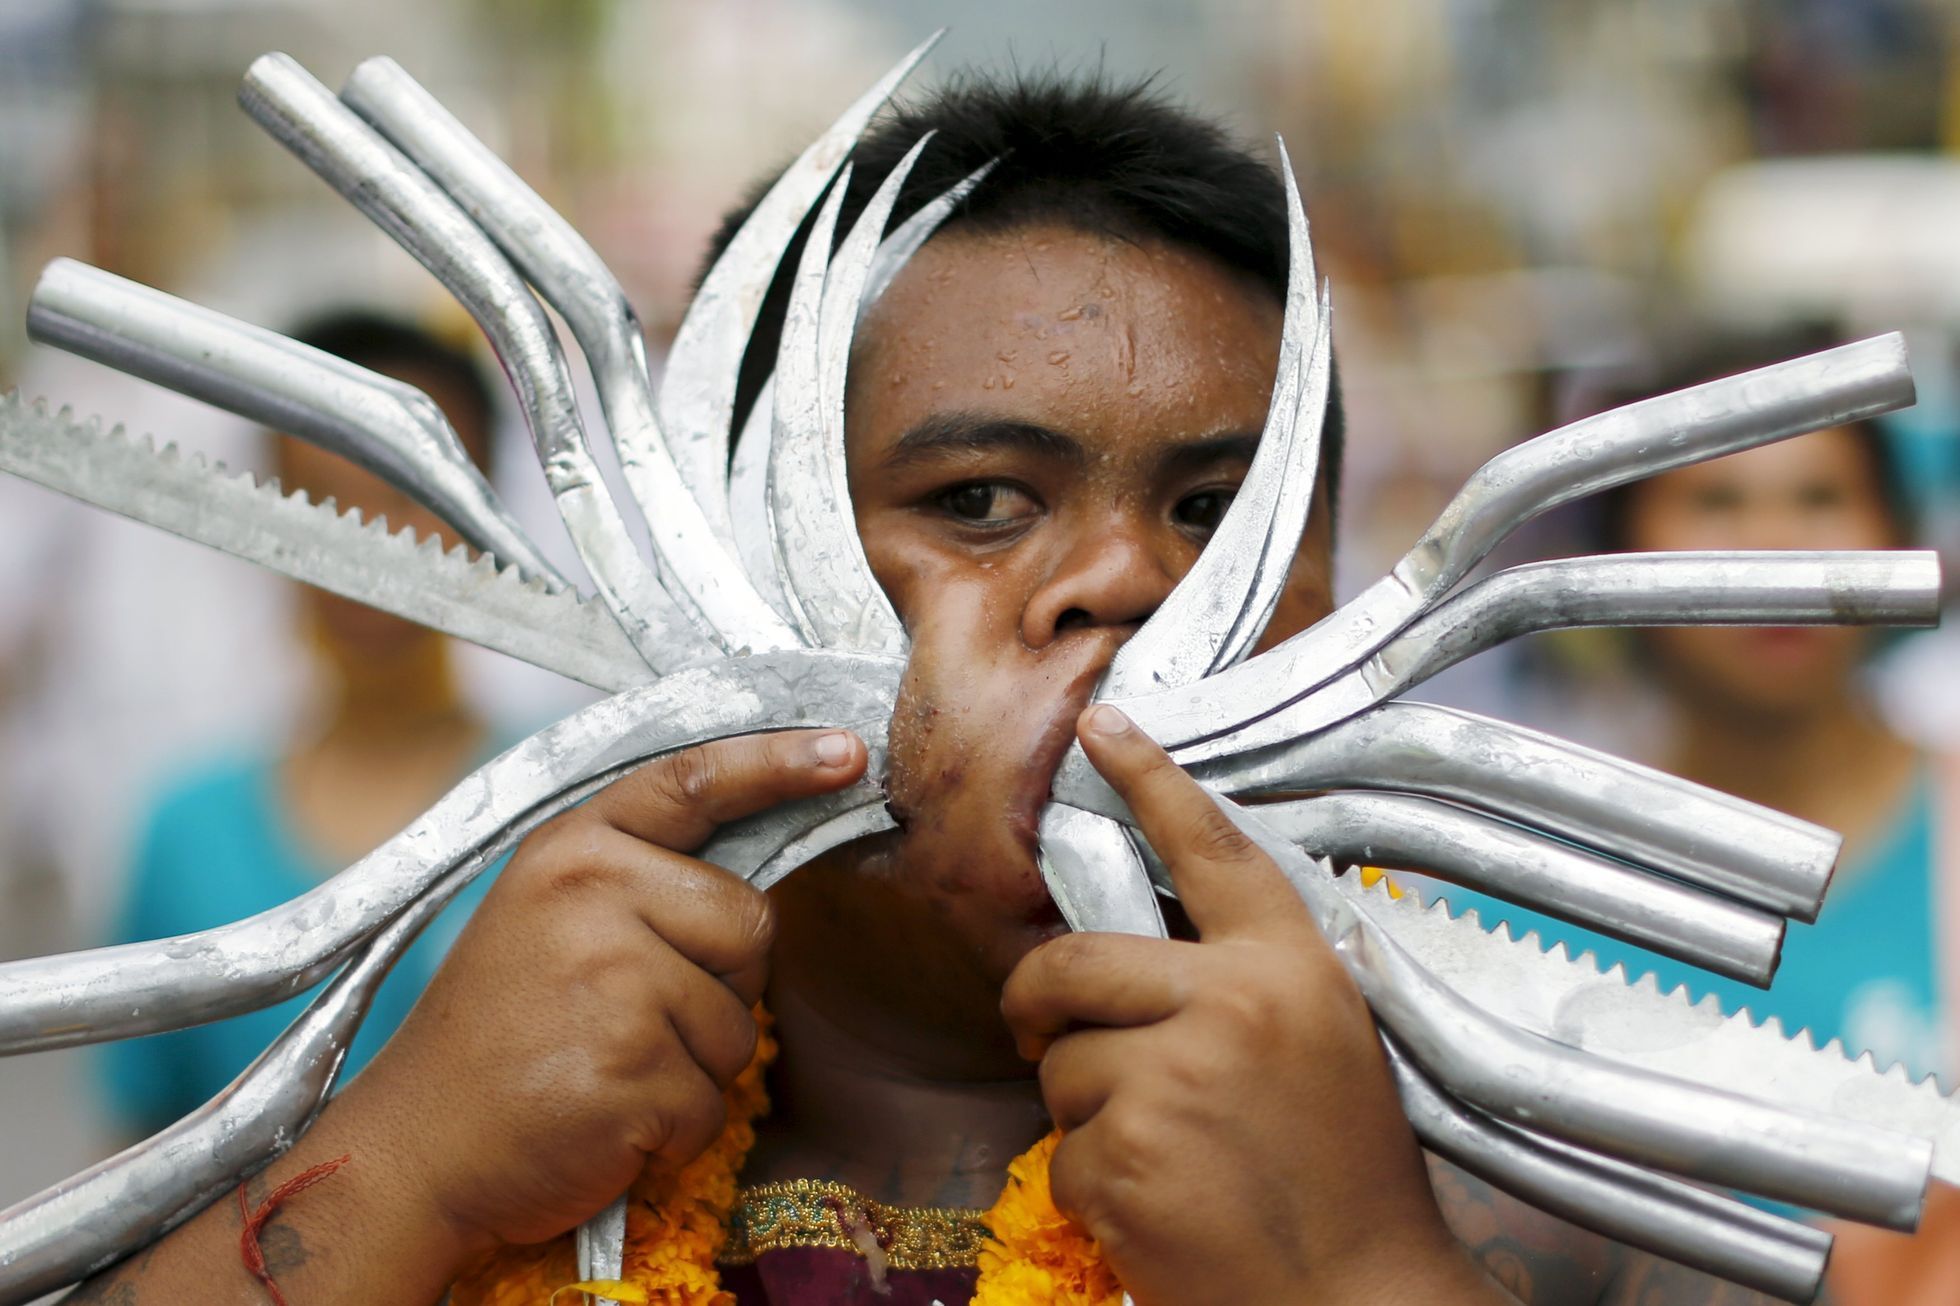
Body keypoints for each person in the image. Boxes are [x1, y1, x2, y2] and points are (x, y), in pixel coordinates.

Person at [68, 77, 1829, 1305]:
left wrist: (1351, 1272)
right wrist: (409, 1176)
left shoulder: (1558, 1170)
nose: (1126, 581)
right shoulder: (495, 1116)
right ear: (714, 572)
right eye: (979, 497)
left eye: (1222, 513)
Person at [1436, 351, 1959, 1304]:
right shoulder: (1512, 899)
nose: (1772, 546)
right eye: (1716, 502)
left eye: (1819, 497)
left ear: (1896, 537)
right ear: (1616, 561)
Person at [95, 312, 513, 1139]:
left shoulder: (580, 812)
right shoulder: (185, 834)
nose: (369, 550)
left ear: (490, 519)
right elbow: (136, 1150)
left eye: (407, 500)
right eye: (321, 503)